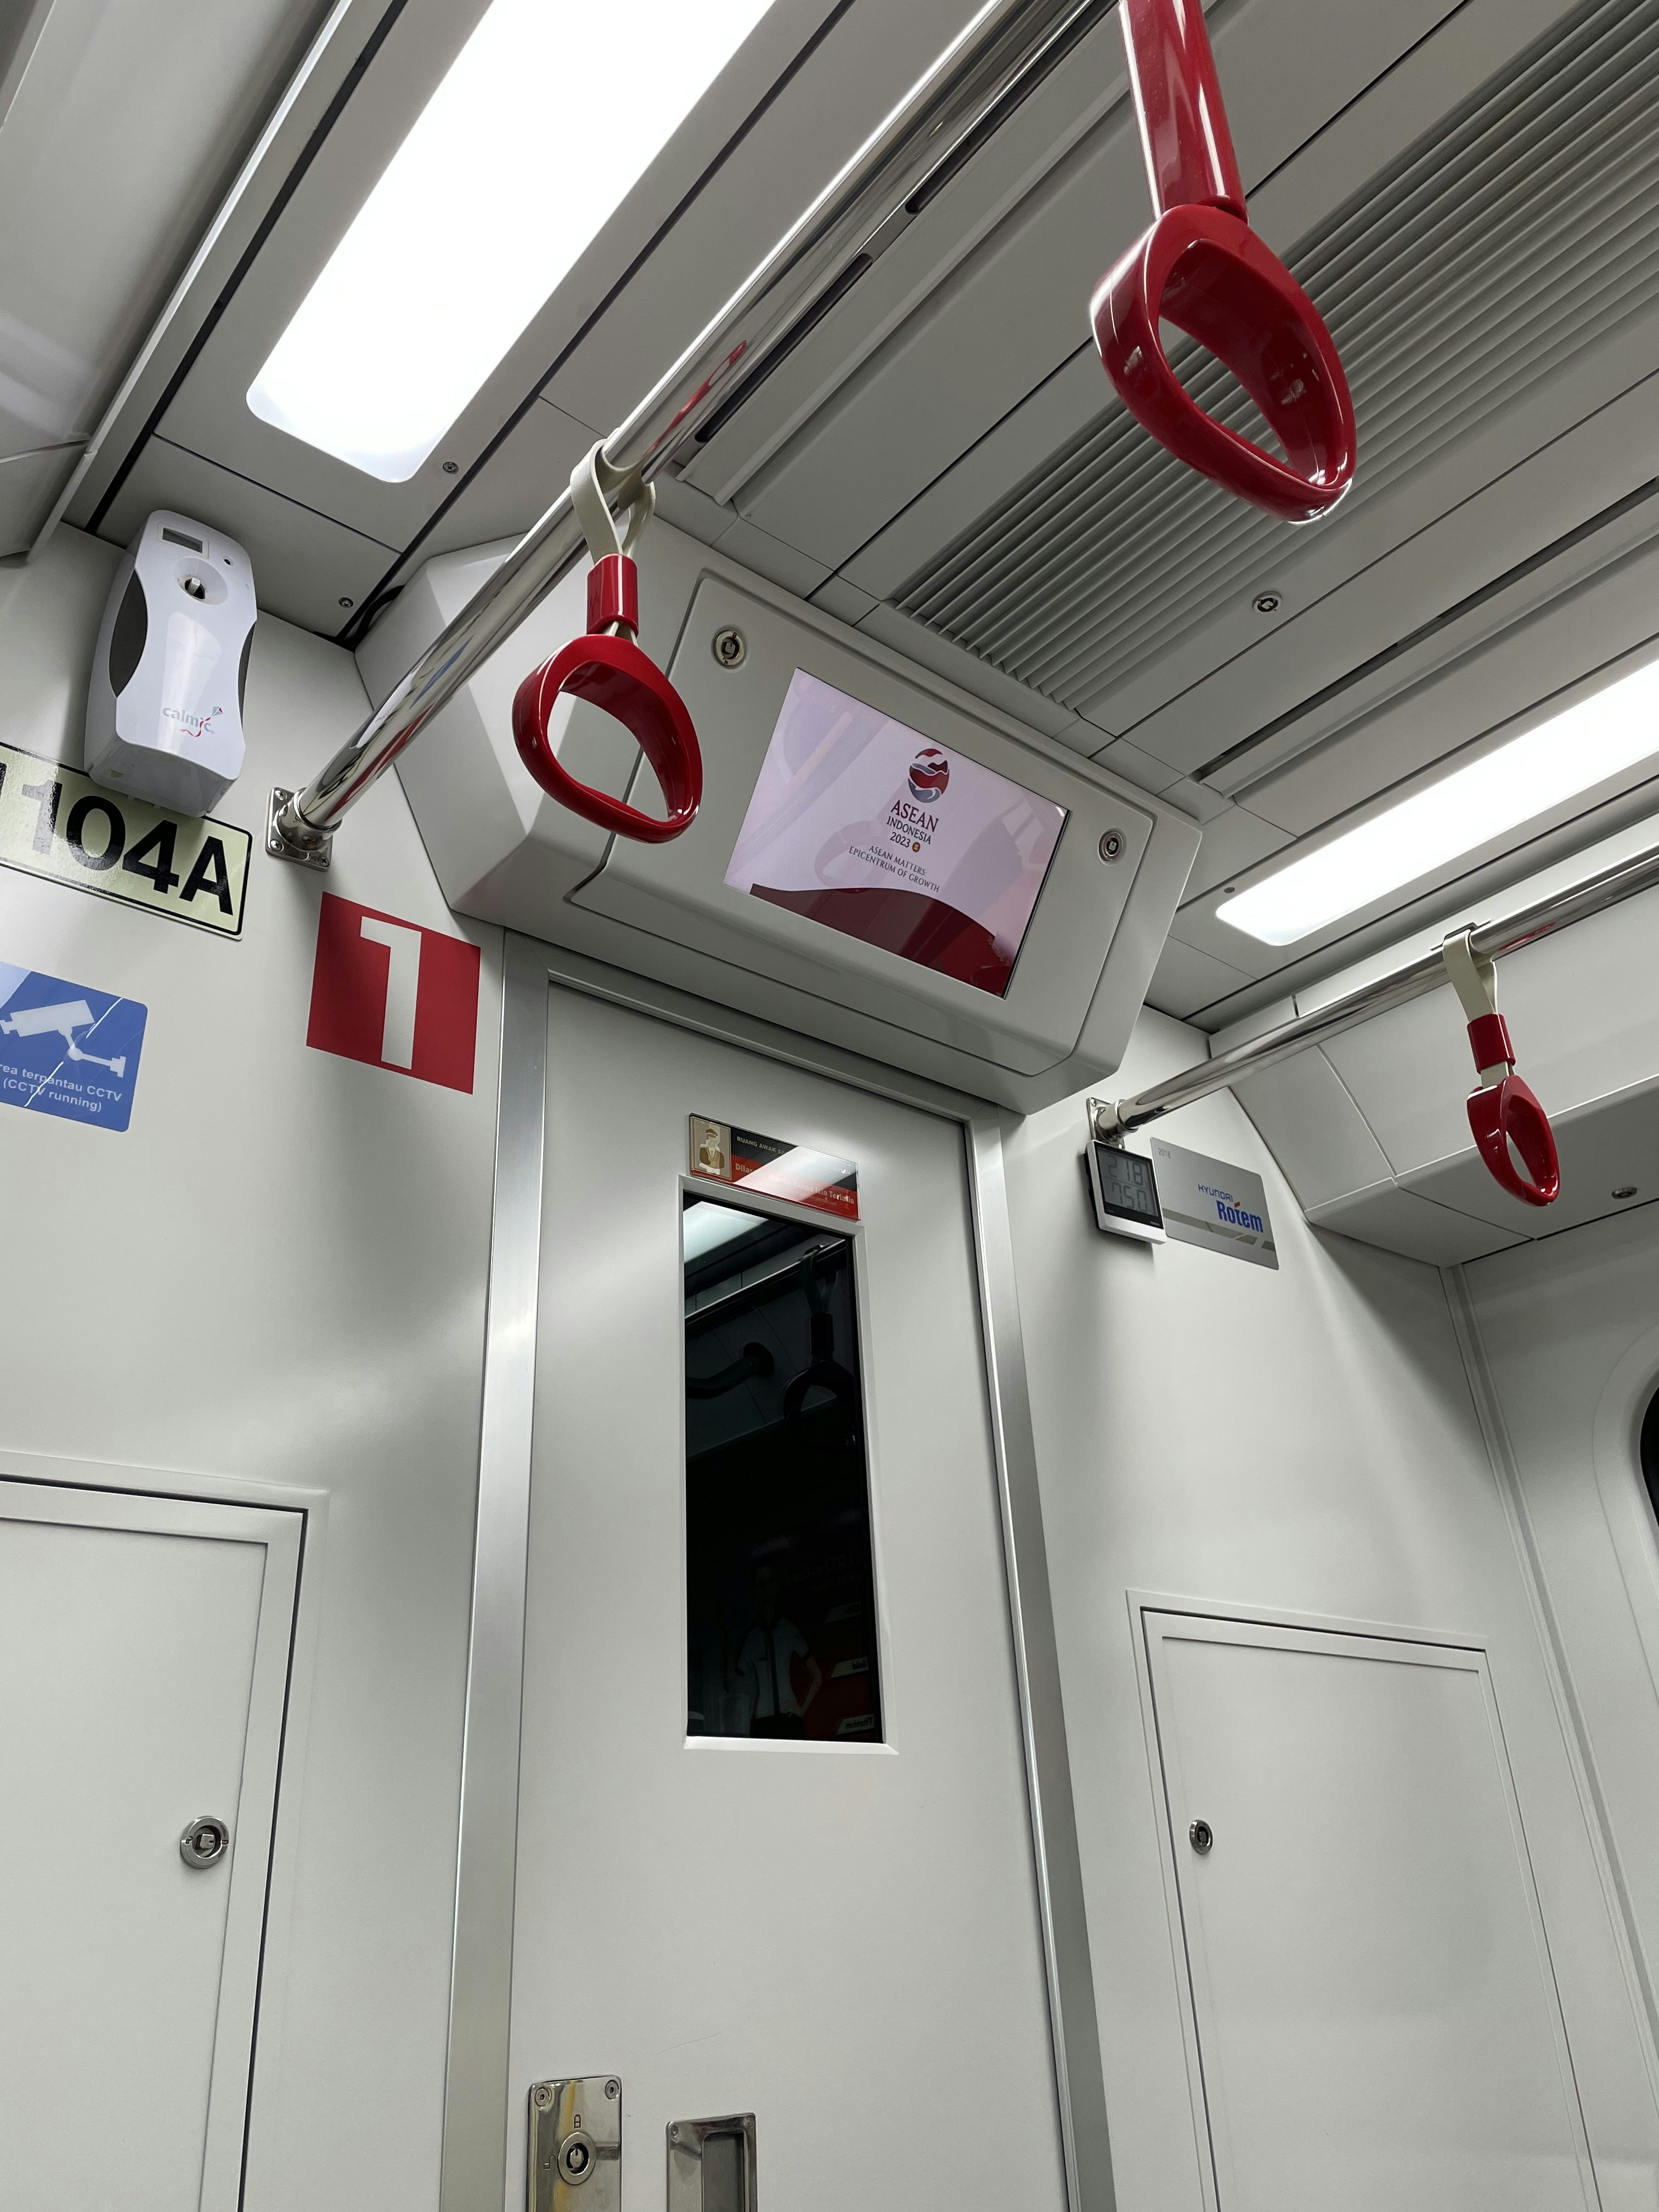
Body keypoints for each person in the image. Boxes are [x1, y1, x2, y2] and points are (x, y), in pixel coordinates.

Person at [736, 1564, 822, 1739]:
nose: (766, 1590)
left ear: (777, 1587)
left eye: (771, 1582)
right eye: (761, 1584)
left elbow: (817, 1675)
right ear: (754, 1591)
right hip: (761, 1722)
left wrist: (802, 1709)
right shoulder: (752, 1637)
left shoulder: (787, 1629)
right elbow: (739, 1684)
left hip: (788, 1719)